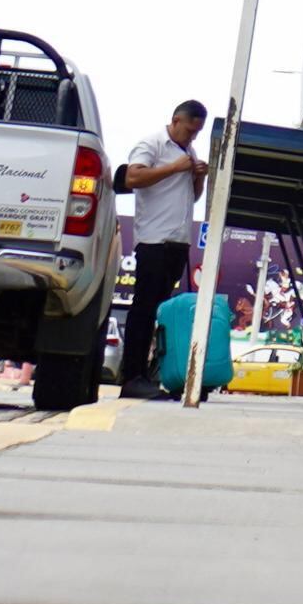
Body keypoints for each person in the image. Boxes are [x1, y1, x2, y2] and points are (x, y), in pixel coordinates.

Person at [115, 100, 209, 397]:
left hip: (178, 240)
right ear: (176, 120)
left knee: (159, 309)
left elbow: (191, 198)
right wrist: (173, 168)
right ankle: (132, 377)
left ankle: (148, 374)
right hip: (154, 240)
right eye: (189, 131)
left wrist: (198, 176)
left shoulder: (187, 152)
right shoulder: (152, 143)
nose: (191, 137)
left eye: (196, 134)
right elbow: (132, 177)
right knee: (143, 308)